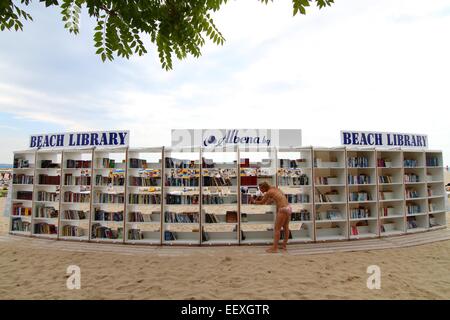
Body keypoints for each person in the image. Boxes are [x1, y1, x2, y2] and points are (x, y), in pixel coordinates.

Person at [250, 182, 292, 253]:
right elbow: (276, 198)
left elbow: (262, 202)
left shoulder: (269, 192)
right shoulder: (275, 189)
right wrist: (269, 201)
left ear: (264, 188)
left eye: (261, 189)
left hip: (282, 209)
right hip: (288, 207)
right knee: (286, 227)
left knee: (277, 229)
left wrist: (253, 201)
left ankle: (274, 248)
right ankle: (284, 246)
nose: (261, 191)